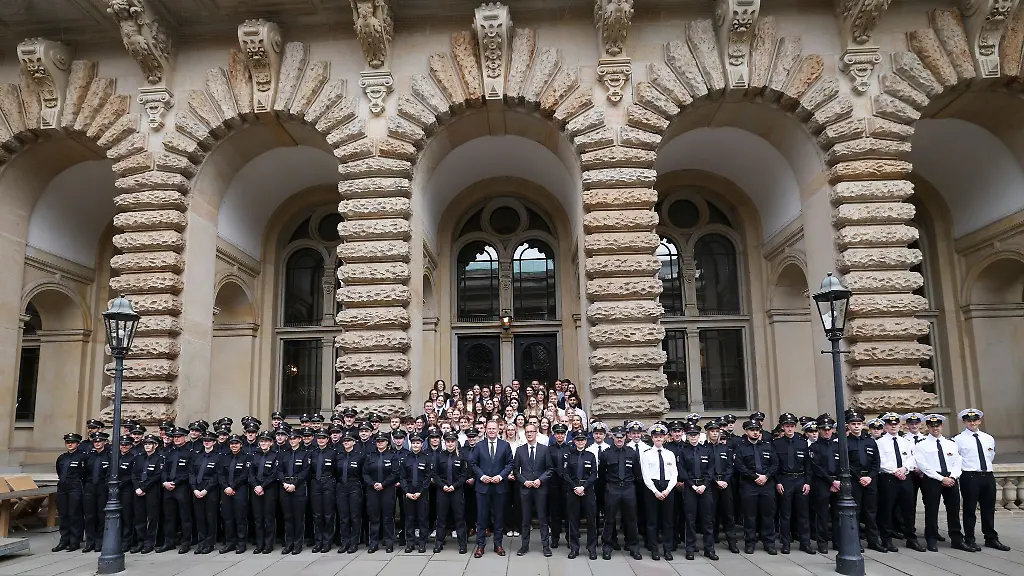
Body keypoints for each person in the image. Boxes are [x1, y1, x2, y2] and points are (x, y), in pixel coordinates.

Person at [954, 408, 1011, 551]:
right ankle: (970, 538)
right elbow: (956, 459)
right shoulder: (958, 440)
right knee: (969, 509)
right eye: (969, 420)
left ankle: (991, 538)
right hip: (970, 476)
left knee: (989, 509)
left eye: (975, 420)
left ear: (979, 421)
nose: (972, 423)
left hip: (987, 475)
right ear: (964, 422)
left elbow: (990, 457)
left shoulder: (988, 438)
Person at [915, 414, 968, 552]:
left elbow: (958, 462)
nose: (935, 429)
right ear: (927, 427)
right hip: (932, 479)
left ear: (941, 426)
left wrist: (953, 477)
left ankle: (957, 539)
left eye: (937, 426)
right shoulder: (921, 445)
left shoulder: (951, 444)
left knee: (954, 510)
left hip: (951, 479)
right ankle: (931, 539)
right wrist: (941, 478)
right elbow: (923, 465)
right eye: (932, 426)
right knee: (931, 511)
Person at [876, 412, 925, 552]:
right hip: (889, 478)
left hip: (905, 477)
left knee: (909, 509)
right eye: (890, 424)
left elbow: (911, 458)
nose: (893, 426)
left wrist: (904, 469)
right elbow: (879, 462)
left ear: (899, 425)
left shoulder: (906, 442)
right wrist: (894, 471)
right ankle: (886, 540)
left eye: (896, 423)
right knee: (887, 509)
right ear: (885, 426)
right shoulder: (879, 443)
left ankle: (911, 538)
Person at [469, 419, 513, 557]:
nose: (492, 431)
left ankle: (498, 545)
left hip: (499, 487)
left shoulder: (505, 445)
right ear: (486, 430)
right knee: (482, 517)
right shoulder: (479, 446)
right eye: (489, 428)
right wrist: (481, 476)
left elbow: (510, 463)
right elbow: (473, 463)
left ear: (498, 429)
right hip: (483, 487)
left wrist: (500, 477)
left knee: (499, 517)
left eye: (494, 428)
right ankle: (480, 546)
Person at [734, 419, 778, 555]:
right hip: (749, 485)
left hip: (767, 484)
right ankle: (750, 543)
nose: (755, 432)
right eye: (752, 430)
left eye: (757, 430)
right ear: (746, 431)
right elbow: (739, 466)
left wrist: (766, 476)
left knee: (768, 515)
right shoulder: (741, 448)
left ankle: (769, 543)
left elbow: (775, 464)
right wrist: (754, 477)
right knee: (750, 516)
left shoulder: (768, 446)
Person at [773, 413, 814, 555]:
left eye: (791, 426)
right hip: (785, 480)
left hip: (801, 480)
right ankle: (785, 543)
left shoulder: (802, 442)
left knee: (803, 514)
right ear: (783, 427)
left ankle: (805, 543)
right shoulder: (777, 443)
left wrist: (808, 482)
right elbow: (775, 465)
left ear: (795, 427)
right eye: (787, 426)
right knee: (785, 514)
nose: (789, 429)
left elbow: (808, 465)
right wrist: (777, 482)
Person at [599, 426, 642, 560]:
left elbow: (637, 473)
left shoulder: (632, 453)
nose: (619, 439)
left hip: (629, 488)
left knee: (631, 519)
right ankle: (607, 546)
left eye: (622, 436)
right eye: (617, 437)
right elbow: (601, 474)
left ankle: (633, 546)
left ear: (626, 437)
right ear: (612, 437)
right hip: (613, 488)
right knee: (609, 519)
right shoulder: (606, 453)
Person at [512, 423, 553, 556]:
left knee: (543, 519)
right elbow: (515, 471)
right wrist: (524, 481)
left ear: (536, 433)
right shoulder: (520, 450)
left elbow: (550, 469)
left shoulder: (544, 449)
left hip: (540, 488)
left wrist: (539, 480)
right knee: (525, 519)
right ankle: (524, 546)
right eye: (527, 432)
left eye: (532, 432)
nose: (529, 434)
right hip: (525, 489)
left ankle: (546, 546)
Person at [845, 410, 883, 552]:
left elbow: (876, 462)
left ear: (863, 425)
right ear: (848, 426)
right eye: (853, 424)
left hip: (870, 479)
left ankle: (873, 540)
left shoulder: (870, 442)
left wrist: (870, 477)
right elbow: (846, 463)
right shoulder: (846, 443)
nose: (856, 426)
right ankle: (856, 542)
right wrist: (859, 477)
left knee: (871, 512)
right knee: (855, 512)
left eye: (858, 424)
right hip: (856, 481)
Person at [678, 422, 716, 561]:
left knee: (707, 520)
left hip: (705, 488)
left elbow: (710, 470)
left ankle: (709, 549)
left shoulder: (706, 450)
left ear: (699, 436)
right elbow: (682, 471)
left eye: (695, 434)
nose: (693, 437)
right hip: (690, 488)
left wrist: (704, 485)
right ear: (686, 436)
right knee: (690, 520)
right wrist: (693, 486)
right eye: (690, 434)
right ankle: (690, 549)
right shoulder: (682, 451)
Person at [639, 423, 675, 561]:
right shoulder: (646, 454)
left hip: (667, 488)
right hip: (652, 488)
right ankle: (654, 549)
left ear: (665, 438)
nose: (658, 439)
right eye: (656, 437)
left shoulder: (670, 454)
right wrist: (655, 491)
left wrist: (667, 490)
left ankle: (667, 550)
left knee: (667, 521)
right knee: (652, 521)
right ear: (652, 438)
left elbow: (674, 474)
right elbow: (645, 475)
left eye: (661, 436)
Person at [563, 431, 598, 560]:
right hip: (573, 490)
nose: (580, 442)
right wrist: (575, 487)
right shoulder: (569, 456)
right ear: (574, 441)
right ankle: (574, 548)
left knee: (591, 521)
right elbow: (565, 474)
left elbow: (594, 474)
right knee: (573, 521)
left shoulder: (591, 455)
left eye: (582, 440)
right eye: (578, 440)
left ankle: (592, 548)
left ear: (586, 441)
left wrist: (583, 487)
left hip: (587, 489)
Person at [433, 431, 470, 554]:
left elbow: (464, 475)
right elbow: (435, 474)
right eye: (448, 441)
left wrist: (454, 486)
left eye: (452, 441)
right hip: (442, 491)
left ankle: (462, 544)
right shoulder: (439, 456)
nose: (450, 444)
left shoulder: (461, 456)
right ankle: (439, 543)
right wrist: (443, 486)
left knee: (459, 518)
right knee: (441, 518)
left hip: (456, 491)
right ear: (445, 442)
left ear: (456, 442)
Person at [705, 420, 739, 554]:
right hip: (711, 485)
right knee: (710, 514)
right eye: (712, 431)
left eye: (716, 431)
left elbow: (730, 467)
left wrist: (725, 480)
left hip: (725, 484)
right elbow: (705, 469)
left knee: (728, 514)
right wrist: (715, 481)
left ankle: (732, 542)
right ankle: (711, 540)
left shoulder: (725, 449)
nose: (714, 433)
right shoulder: (704, 449)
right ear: (708, 432)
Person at [159, 426, 193, 553]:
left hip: (181, 488)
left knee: (185, 517)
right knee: (169, 517)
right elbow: (163, 470)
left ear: (185, 437)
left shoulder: (189, 453)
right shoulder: (169, 452)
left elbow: (189, 472)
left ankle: (185, 543)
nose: (177, 439)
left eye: (179, 436)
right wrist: (165, 482)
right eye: (175, 437)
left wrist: (175, 482)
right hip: (168, 488)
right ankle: (169, 542)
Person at [809, 416, 840, 554]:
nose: (827, 432)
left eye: (829, 429)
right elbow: (816, 467)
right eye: (823, 429)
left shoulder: (838, 445)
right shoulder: (815, 447)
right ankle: (822, 542)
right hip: (822, 482)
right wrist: (831, 481)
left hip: (838, 482)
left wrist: (837, 480)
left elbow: (844, 465)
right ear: (819, 430)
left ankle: (838, 541)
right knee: (822, 514)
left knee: (838, 514)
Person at [363, 432, 398, 553]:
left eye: (382, 441)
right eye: (378, 441)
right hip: (373, 490)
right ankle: (374, 543)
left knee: (388, 517)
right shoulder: (370, 456)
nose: (380, 443)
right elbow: (365, 473)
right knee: (374, 517)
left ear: (387, 442)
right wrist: (373, 484)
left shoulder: (392, 456)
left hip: (387, 489)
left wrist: (383, 484)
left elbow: (394, 473)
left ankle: (389, 543)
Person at [130, 434, 164, 554]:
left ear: (155, 445)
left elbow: (157, 476)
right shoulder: (139, 458)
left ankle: (150, 543)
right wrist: (137, 487)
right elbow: (134, 474)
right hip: (138, 490)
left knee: (152, 517)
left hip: (151, 490)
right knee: (139, 517)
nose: (147, 446)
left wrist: (144, 488)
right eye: (145, 444)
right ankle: (141, 542)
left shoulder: (159, 458)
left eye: (150, 444)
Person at [53, 432, 87, 552]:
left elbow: (85, 472)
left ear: (77, 443)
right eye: (68, 442)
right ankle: (64, 540)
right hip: (63, 486)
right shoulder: (62, 457)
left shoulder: (82, 456)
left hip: (75, 486)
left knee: (74, 514)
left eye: (72, 442)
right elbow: (59, 470)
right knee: (63, 514)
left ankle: (74, 541)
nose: (70, 444)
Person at [400, 433, 432, 553]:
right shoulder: (406, 458)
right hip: (409, 492)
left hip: (421, 493)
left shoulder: (426, 458)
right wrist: (406, 492)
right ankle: (410, 543)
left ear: (421, 444)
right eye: (413, 443)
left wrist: (421, 492)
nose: (415, 445)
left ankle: (422, 543)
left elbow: (427, 477)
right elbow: (402, 477)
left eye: (418, 443)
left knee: (423, 519)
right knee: (409, 519)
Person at [279, 429, 310, 554]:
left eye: (294, 438)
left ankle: (298, 544)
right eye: (290, 439)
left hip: (298, 487)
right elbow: (279, 470)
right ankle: (289, 543)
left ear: (299, 439)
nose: (292, 441)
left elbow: (305, 472)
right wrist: (284, 483)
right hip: (285, 487)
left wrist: (294, 484)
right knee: (288, 517)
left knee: (298, 517)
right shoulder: (284, 453)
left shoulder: (305, 454)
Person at [219, 434, 251, 554]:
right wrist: (226, 487)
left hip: (239, 490)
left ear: (241, 445)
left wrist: (232, 487)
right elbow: (220, 474)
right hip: (226, 491)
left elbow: (245, 474)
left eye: (236, 443)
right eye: (232, 443)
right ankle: (230, 543)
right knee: (227, 518)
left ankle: (241, 543)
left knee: (240, 518)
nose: (234, 445)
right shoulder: (224, 457)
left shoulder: (246, 457)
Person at [250, 431, 280, 554]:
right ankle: (259, 544)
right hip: (256, 490)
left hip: (269, 490)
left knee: (268, 518)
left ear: (271, 443)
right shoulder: (255, 455)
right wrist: (256, 486)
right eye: (261, 441)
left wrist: (262, 486)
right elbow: (251, 473)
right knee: (258, 518)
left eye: (266, 441)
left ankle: (268, 544)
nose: (263, 443)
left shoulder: (275, 455)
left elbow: (274, 473)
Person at [82, 431, 112, 552]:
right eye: (95, 441)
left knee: (101, 515)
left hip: (102, 487)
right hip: (90, 487)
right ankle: (90, 541)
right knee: (89, 515)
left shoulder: (109, 456)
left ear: (104, 442)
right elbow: (83, 472)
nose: (97, 443)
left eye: (99, 441)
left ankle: (100, 541)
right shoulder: (89, 456)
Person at [309, 430, 338, 553]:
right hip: (316, 483)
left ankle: (327, 542)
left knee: (328, 514)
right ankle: (318, 541)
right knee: (317, 514)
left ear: (328, 440)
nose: (321, 440)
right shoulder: (312, 453)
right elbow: (309, 470)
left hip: (328, 483)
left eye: (323, 438)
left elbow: (336, 470)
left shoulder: (333, 453)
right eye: (319, 438)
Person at [336, 429, 364, 554]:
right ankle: (345, 542)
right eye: (344, 441)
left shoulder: (359, 456)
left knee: (355, 516)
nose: (346, 442)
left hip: (355, 487)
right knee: (343, 516)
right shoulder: (339, 456)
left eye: (349, 440)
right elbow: (335, 472)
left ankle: (354, 542)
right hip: (341, 487)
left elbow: (362, 473)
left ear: (354, 442)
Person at [546, 422, 571, 549]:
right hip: (554, 484)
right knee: (554, 512)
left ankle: (569, 538)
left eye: (562, 433)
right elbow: (548, 466)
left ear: (565, 434)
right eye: (557, 433)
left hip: (567, 484)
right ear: (554, 435)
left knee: (568, 512)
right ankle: (555, 538)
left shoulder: (570, 448)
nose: (560, 435)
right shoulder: (549, 449)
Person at [116, 436, 137, 552]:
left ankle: (126, 541)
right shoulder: (114, 457)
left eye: (126, 444)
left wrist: (121, 483)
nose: (124, 446)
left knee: (127, 515)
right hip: (113, 490)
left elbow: (133, 474)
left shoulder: (133, 458)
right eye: (122, 444)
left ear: (130, 446)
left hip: (126, 489)